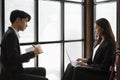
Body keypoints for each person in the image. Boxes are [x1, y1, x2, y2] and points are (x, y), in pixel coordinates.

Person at [1, 10, 48, 80]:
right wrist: (33, 53)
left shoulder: (10, 33)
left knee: (42, 70)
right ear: (18, 20)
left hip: (15, 70)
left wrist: (31, 53)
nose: (27, 25)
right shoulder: (11, 35)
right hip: (12, 75)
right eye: (25, 21)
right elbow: (13, 59)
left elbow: (13, 57)